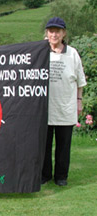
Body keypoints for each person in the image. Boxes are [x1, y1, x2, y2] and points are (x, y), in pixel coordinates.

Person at [42, 17, 87, 186]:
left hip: (65, 106)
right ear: (46, 33)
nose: (54, 34)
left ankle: (61, 177)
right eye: (51, 31)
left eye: (58, 31)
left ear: (64, 33)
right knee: (44, 145)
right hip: (45, 107)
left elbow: (80, 81)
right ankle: (44, 175)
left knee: (63, 145)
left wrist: (79, 101)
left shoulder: (72, 53)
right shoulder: (40, 52)